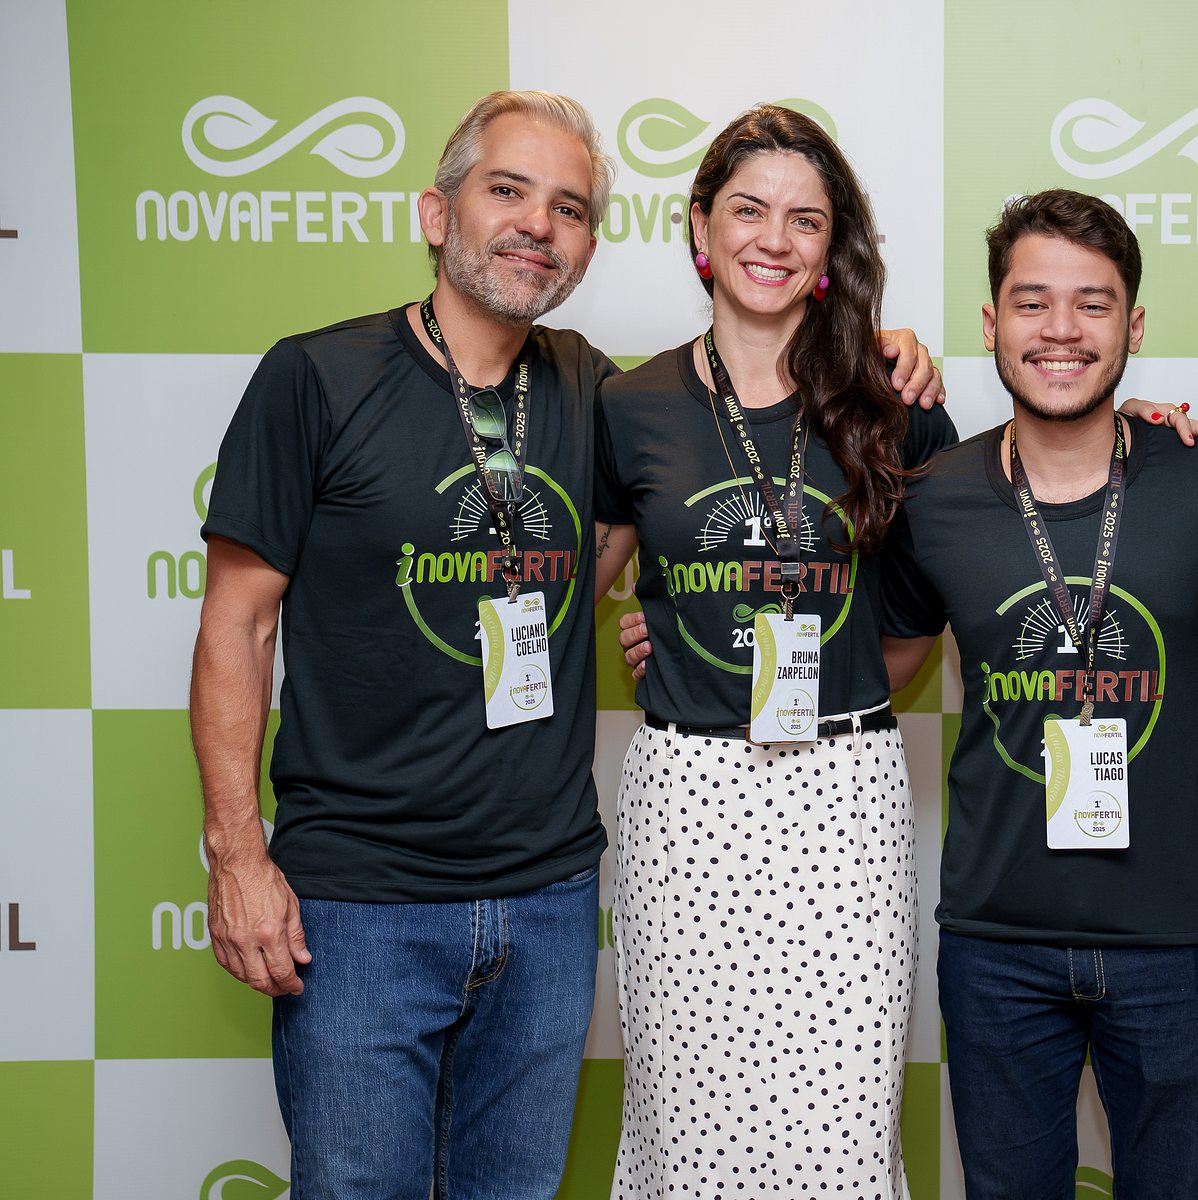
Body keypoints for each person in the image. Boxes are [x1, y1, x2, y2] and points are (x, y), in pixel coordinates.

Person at [190, 90, 941, 1199]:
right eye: (508, 191)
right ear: (435, 212)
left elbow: (640, 562)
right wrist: (237, 857)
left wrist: (1137, 435)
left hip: (546, 889)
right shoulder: (331, 379)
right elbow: (238, 623)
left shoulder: (589, 387)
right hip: (362, 894)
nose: (538, 224)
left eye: (570, 208)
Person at [592, 105, 957, 1199]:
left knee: (841, 1131)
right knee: (687, 1123)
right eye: (748, 210)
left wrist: (1144, 426)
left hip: (844, 798)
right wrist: (669, 634)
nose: (774, 239)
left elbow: (913, 629)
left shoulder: (894, 405)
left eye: (806, 219)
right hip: (686, 800)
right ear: (700, 223)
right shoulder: (626, 405)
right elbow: (574, 587)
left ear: (833, 248)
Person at [879, 190, 1198, 1199]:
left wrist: (1150, 659)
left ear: (1133, 326)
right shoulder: (935, 501)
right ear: (991, 324)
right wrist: (697, 637)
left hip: (1171, 940)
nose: (1061, 330)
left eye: (1093, 305)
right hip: (997, 943)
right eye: (1032, 302)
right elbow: (887, 664)